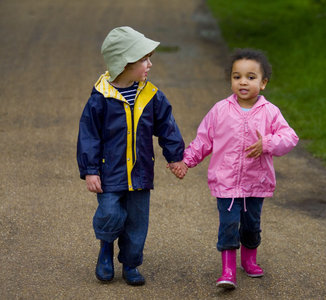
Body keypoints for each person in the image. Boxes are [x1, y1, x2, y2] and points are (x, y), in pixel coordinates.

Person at [175, 48, 298, 289]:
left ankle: (249, 260)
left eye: (251, 77)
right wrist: (186, 160)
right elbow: (204, 140)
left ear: (263, 83)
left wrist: (268, 143)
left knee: (251, 225)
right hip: (226, 182)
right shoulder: (220, 110)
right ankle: (228, 269)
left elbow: (290, 137)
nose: (243, 82)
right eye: (237, 76)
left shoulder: (270, 112)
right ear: (231, 79)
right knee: (229, 224)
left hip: (256, 182)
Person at [77, 26, 186, 286]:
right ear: (124, 63)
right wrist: (91, 170)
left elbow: (167, 127)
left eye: (150, 59)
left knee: (137, 223)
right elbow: (88, 136)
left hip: (140, 173)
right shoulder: (100, 99)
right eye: (144, 59)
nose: (149, 64)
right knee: (110, 214)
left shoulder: (151, 96)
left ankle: (131, 264)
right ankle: (106, 250)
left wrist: (175, 156)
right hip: (109, 172)